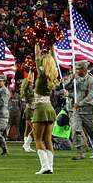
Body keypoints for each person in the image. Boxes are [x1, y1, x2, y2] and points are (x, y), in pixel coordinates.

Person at [66, 61, 93, 160]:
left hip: (89, 111)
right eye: (76, 69)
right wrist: (70, 79)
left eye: (79, 69)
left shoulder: (91, 81)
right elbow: (66, 87)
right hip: (77, 111)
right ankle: (80, 152)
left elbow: (91, 96)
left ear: (84, 70)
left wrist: (80, 103)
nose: (76, 71)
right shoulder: (75, 80)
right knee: (75, 130)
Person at [31, 44, 58, 174]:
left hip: (40, 109)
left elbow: (36, 56)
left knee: (37, 139)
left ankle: (45, 165)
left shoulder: (42, 75)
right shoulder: (54, 74)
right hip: (50, 108)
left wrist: (36, 41)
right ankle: (50, 166)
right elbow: (54, 58)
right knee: (47, 139)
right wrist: (51, 44)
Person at [19, 72, 35, 152]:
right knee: (35, 129)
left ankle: (26, 146)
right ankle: (26, 145)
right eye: (31, 83)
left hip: (30, 110)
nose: (32, 84)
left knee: (28, 129)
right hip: (30, 111)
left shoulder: (29, 91)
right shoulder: (27, 92)